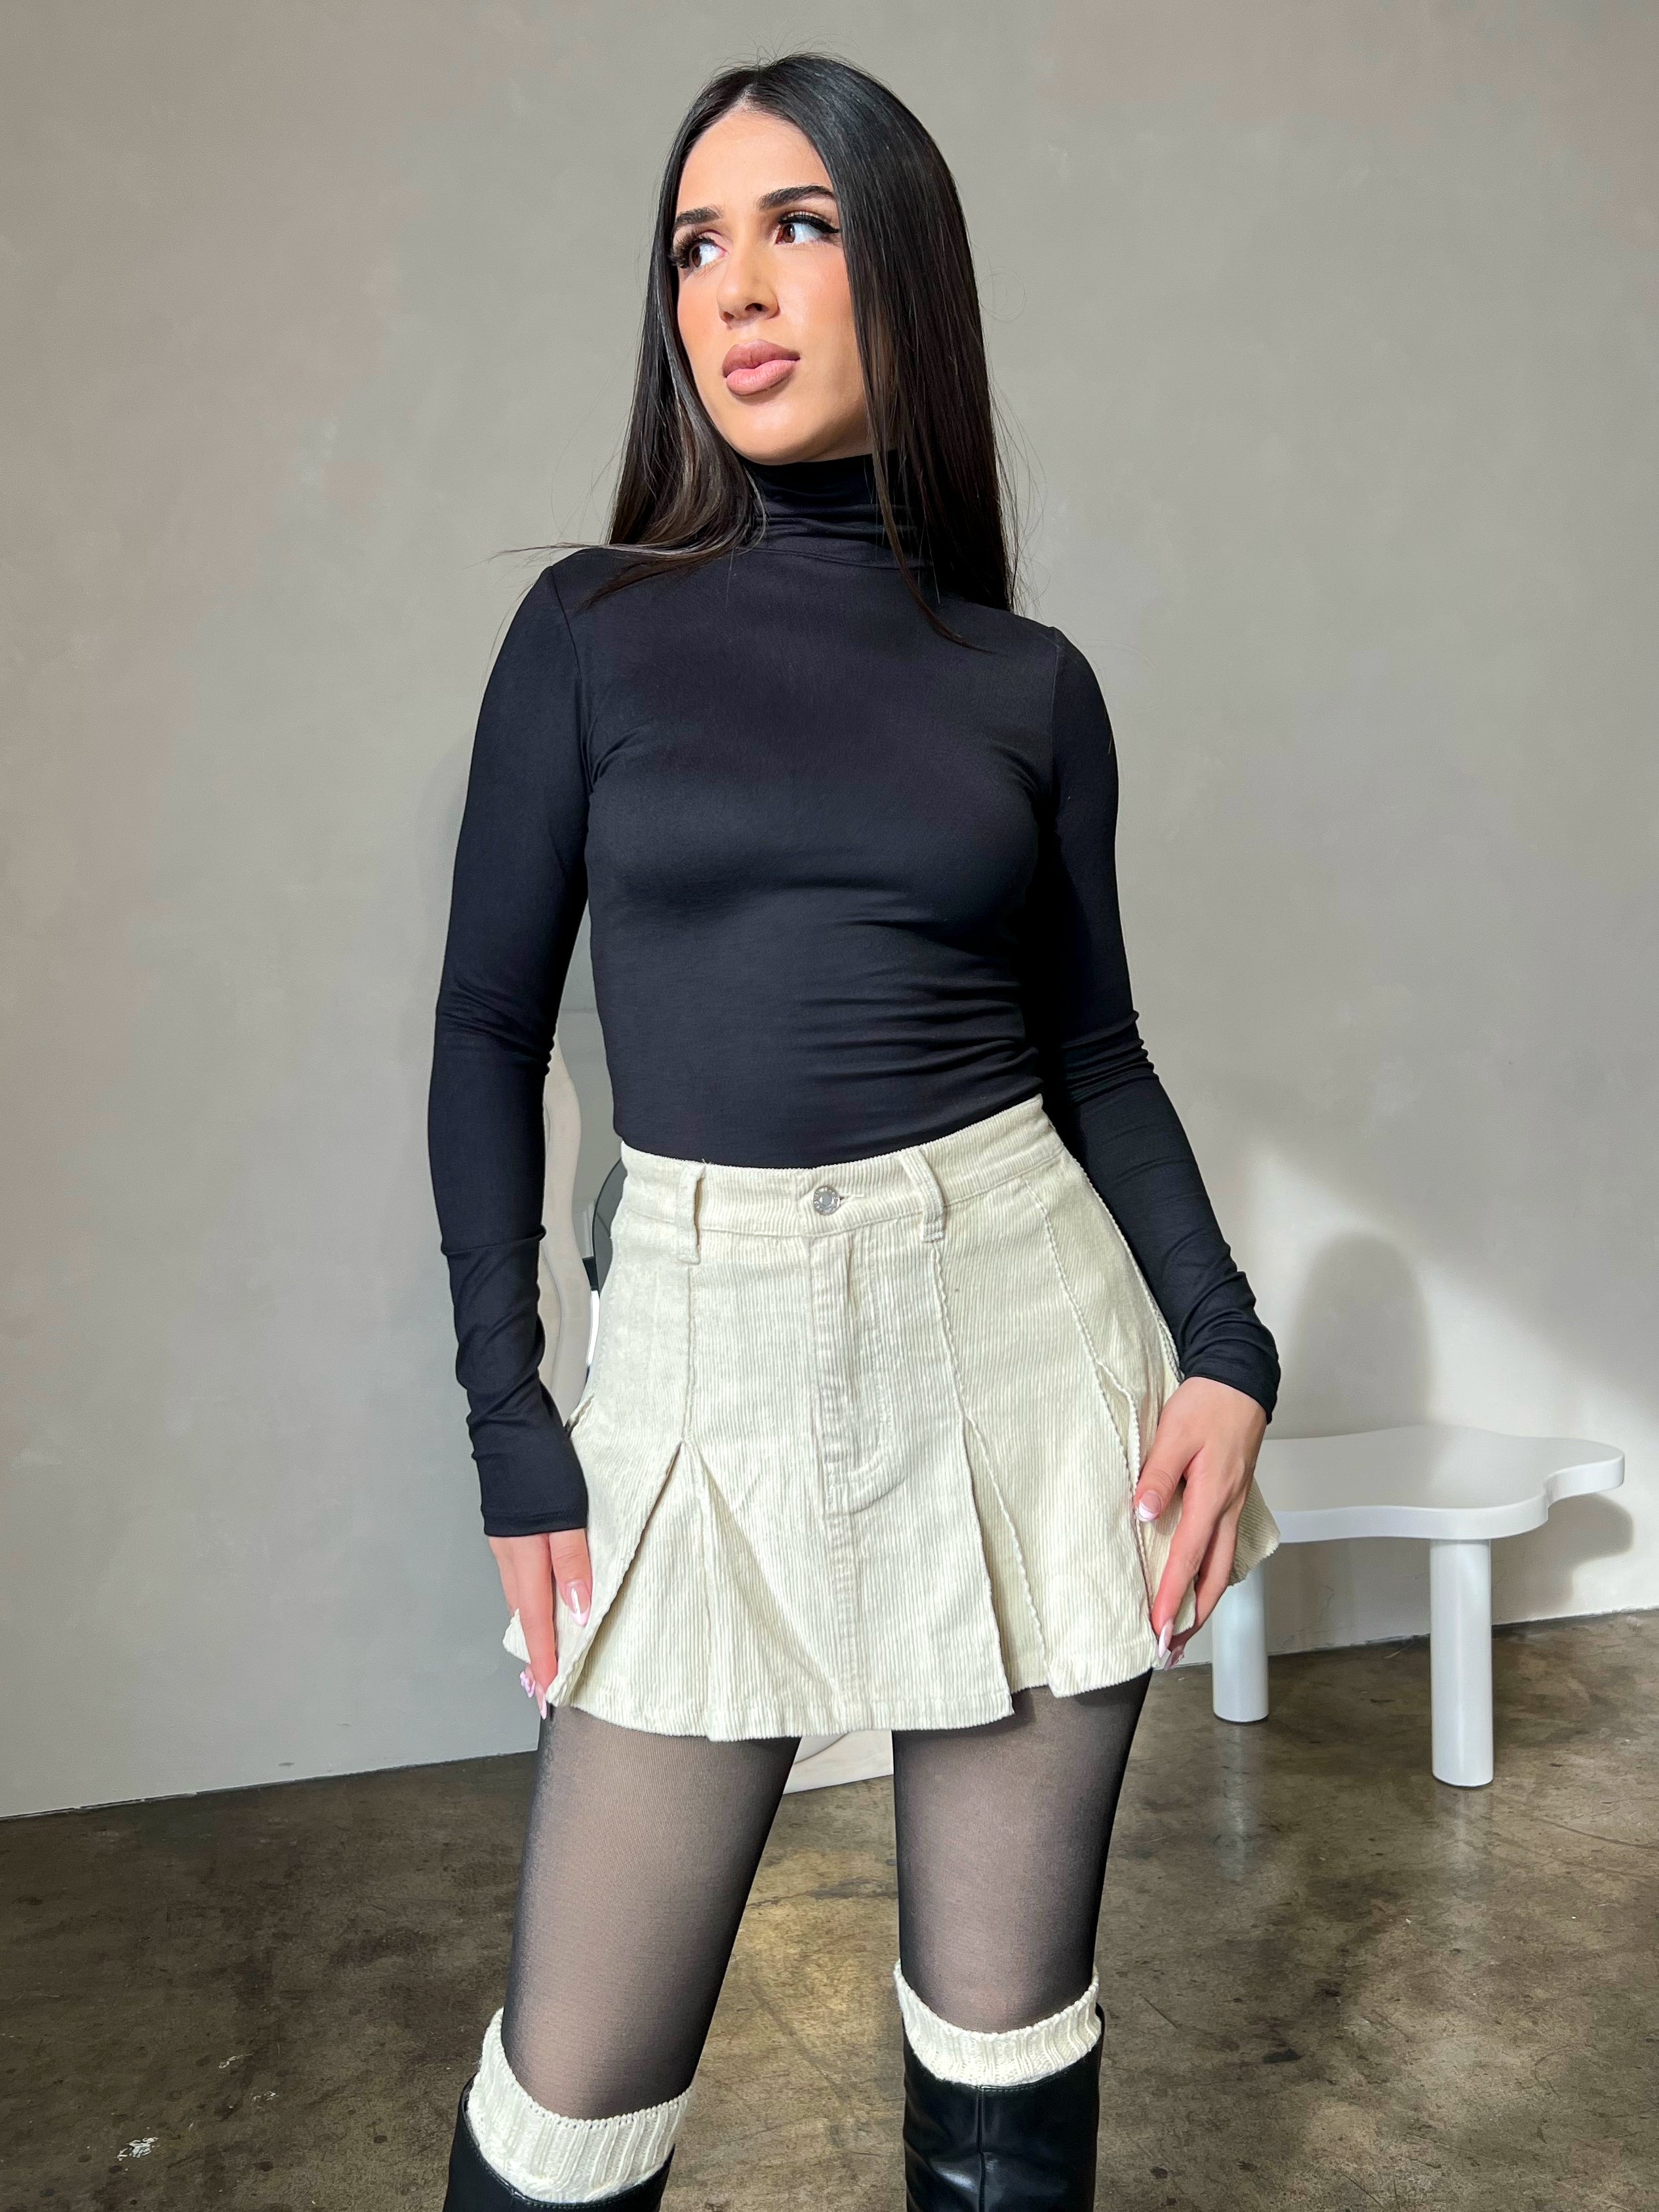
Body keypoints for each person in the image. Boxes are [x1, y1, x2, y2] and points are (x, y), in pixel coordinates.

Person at [428, 51, 1280, 2212]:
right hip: (699, 1348)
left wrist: (1225, 1343)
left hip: (1021, 1341)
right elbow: (486, 1029)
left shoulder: (1026, 682)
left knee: (1002, 2071)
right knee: (565, 2117)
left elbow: (1094, 1053)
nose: (732, 287)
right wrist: (511, 1414)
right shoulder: (587, 632)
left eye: (794, 226)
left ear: (902, 267)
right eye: (693, 246)